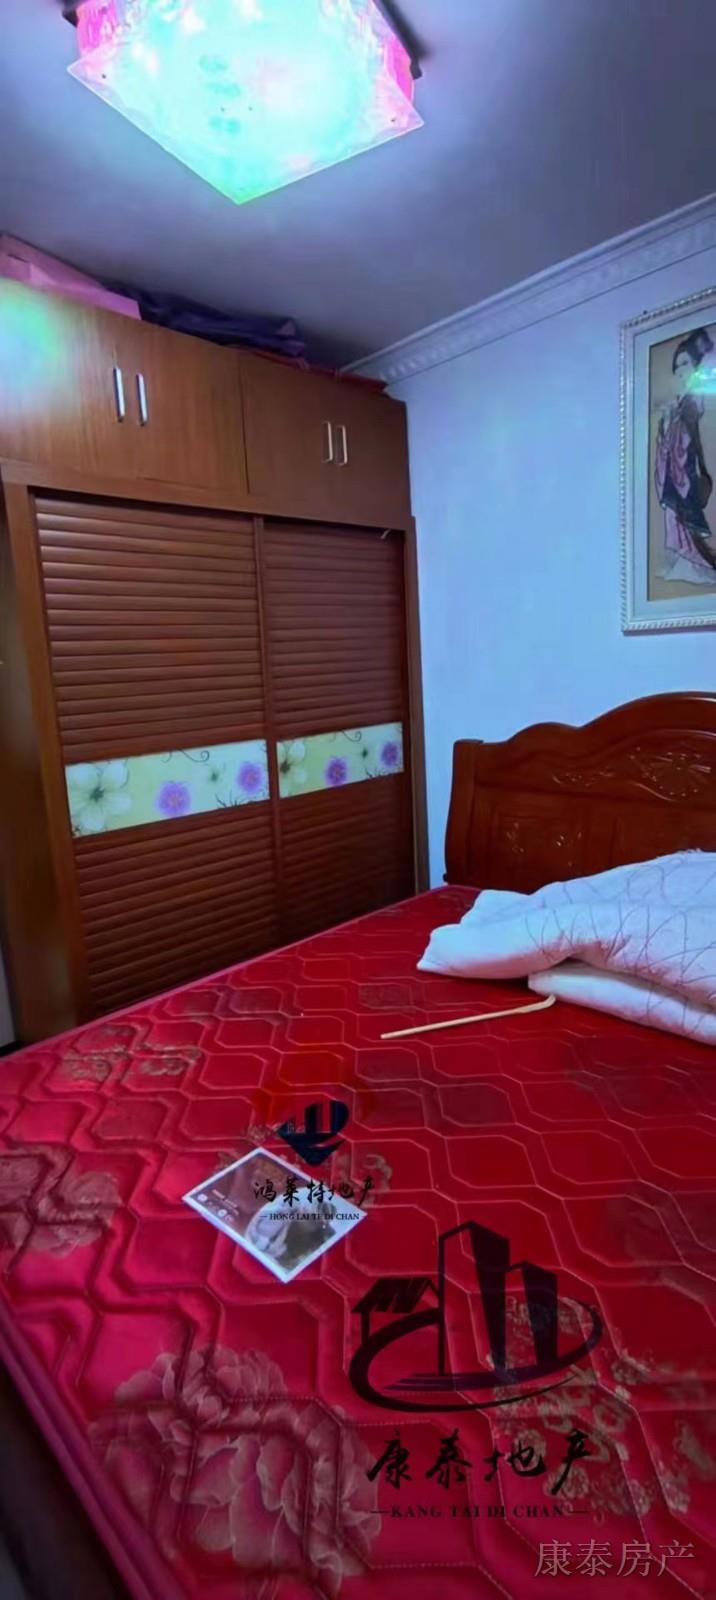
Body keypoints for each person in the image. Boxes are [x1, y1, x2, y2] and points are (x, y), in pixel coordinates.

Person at [654, 326, 716, 583]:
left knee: (685, 512)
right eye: (677, 366)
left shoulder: (696, 397)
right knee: (674, 514)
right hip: (674, 466)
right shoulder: (681, 399)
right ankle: (682, 561)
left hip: (686, 466)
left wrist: (673, 419)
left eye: (685, 364)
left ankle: (696, 562)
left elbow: (692, 433)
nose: (680, 370)